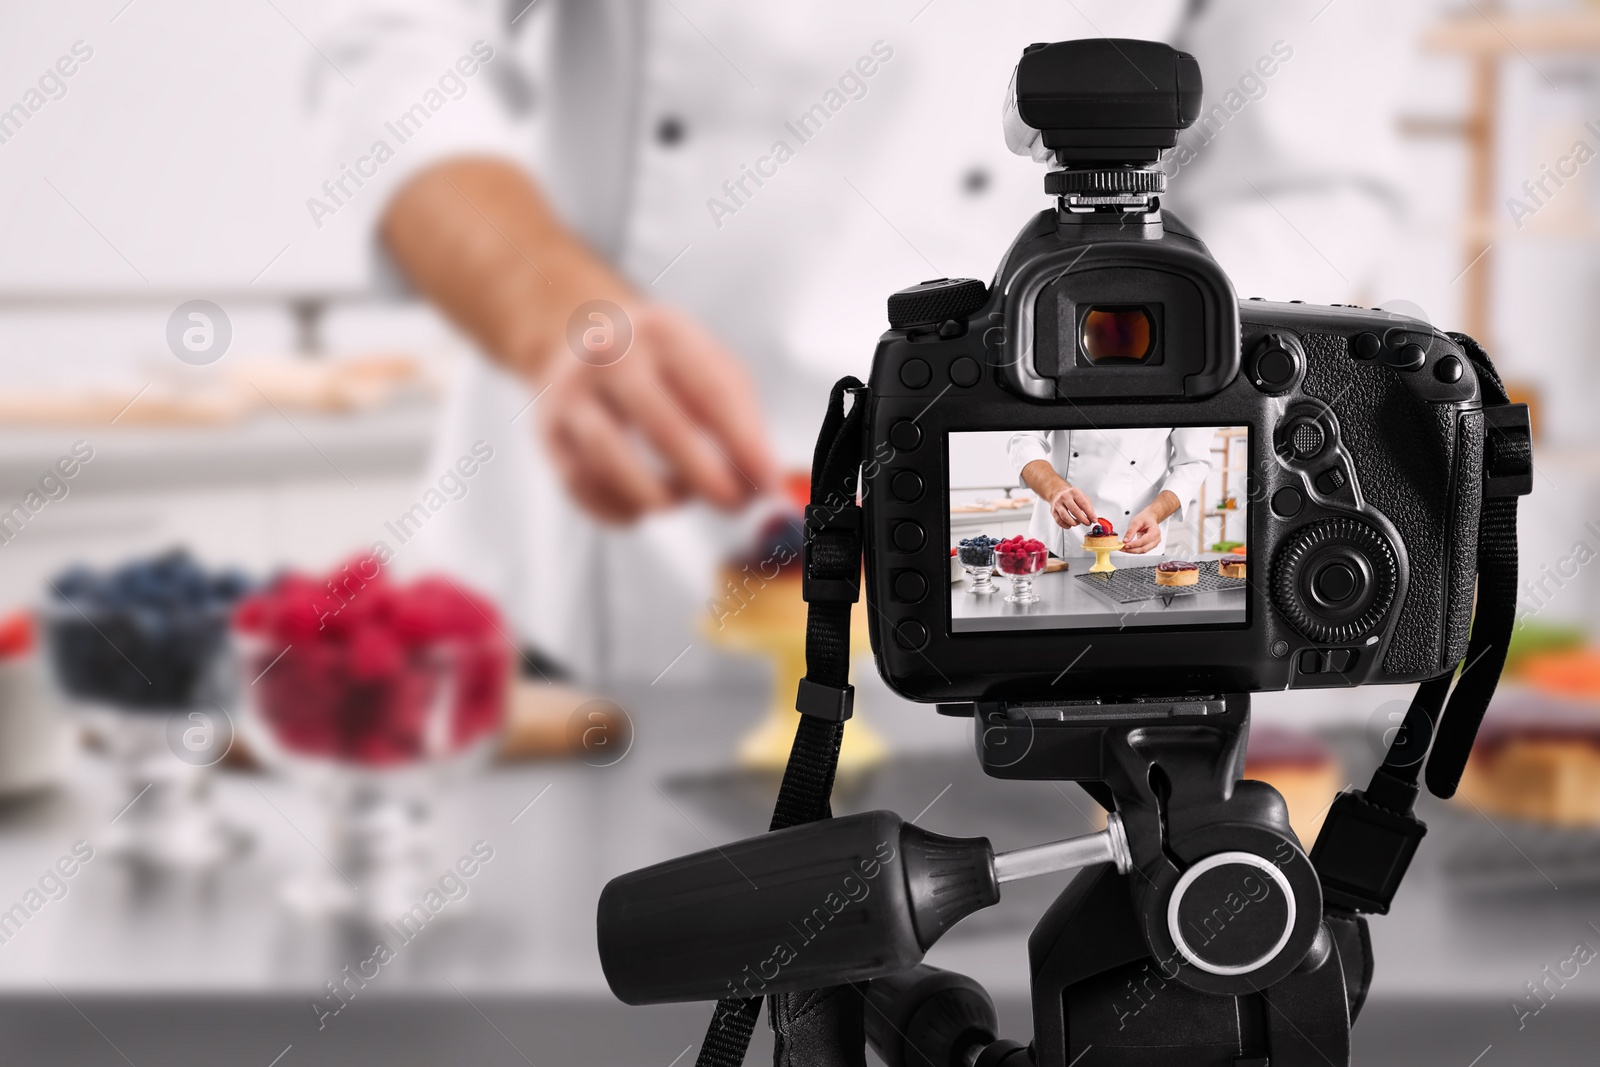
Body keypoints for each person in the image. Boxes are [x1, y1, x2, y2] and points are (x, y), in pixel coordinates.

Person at [308, 0, 1415, 680]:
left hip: (1039, 587)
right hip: (578, 591)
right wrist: (537, 293)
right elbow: (395, 41)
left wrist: (1136, 448)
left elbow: (1307, 175)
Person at [1009, 428, 1214, 557]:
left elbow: (1193, 461)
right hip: (1056, 544)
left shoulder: (1179, 372)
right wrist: (1053, 490)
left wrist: (1156, 512)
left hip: (1136, 544)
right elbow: (1024, 437)